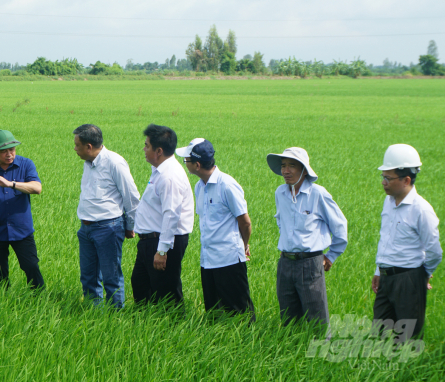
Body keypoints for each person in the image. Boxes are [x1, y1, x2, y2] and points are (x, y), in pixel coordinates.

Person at [266, 147, 347, 325]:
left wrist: (331, 256)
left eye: (292, 166)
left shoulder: (318, 194)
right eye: (283, 166)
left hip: (310, 263)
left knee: (316, 320)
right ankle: (293, 351)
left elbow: (340, 227)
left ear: (303, 169)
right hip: (285, 262)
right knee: (288, 318)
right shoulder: (280, 193)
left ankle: (320, 351)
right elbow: (281, 221)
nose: (286, 171)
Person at [177, 138, 255, 321]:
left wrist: (244, 245)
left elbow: (245, 222)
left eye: (186, 160)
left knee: (239, 311)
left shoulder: (227, 185)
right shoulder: (199, 187)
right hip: (208, 259)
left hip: (229, 259)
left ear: (197, 164)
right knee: (214, 312)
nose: (185, 164)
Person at [372, 144, 442, 340]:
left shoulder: (421, 210)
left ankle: (406, 369)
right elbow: (385, 239)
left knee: (407, 337)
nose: (383, 182)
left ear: (406, 180)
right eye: (383, 177)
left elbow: (434, 251)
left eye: (388, 178)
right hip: (386, 278)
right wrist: (379, 271)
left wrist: (423, 276)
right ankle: (382, 369)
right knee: (379, 332)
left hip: (409, 279)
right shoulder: (388, 202)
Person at [73, 124, 140, 308]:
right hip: (85, 228)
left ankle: (115, 316)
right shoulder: (88, 163)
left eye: (77, 145)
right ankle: (94, 313)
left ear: (88, 146)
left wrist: (130, 226)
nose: (75, 149)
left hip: (108, 228)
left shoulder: (114, 162)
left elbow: (131, 197)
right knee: (88, 276)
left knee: (111, 277)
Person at [0, 129, 45, 289]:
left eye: (12, 149)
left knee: (31, 266)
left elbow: (37, 188)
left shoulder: (26, 164)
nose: (9, 154)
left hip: (22, 230)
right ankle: (2, 302)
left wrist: (11, 184)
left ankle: (40, 299)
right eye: (3, 151)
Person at [131, 124, 194, 306]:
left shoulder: (169, 176)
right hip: (150, 241)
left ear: (158, 151)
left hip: (163, 242)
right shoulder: (159, 171)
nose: (144, 149)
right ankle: (147, 328)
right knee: (141, 286)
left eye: (147, 145)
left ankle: (173, 329)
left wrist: (162, 250)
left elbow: (171, 214)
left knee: (166, 294)